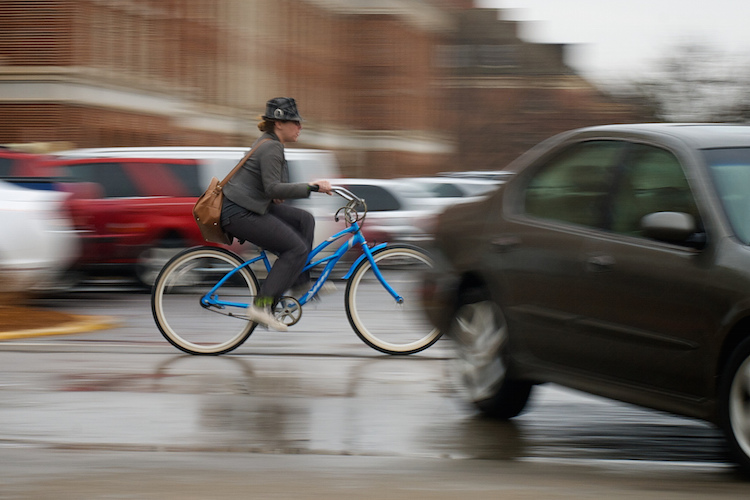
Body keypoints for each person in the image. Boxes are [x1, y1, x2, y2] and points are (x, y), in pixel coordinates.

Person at [221, 97, 332, 331]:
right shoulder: (271, 146)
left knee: (305, 220)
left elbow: (272, 189)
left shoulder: (271, 144)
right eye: (295, 122)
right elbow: (272, 188)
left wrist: (281, 191)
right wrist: (312, 187)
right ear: (279, 123)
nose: (300, 127)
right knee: (296, 248)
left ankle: (300, 282)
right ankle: (261, 306)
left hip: (250, 205)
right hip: (240, 212)